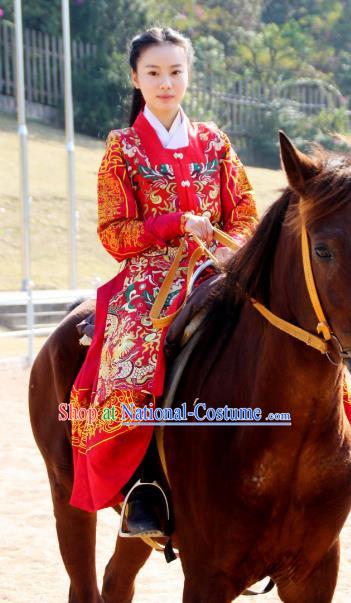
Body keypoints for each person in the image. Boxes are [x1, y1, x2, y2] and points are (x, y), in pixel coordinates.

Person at [69, 26, 258, 535]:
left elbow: (244, 210)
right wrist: (171, 224)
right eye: (153, 72)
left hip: (218, 264)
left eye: (176, 71)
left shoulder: (215, 142)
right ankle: (143, 489)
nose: (166, 82)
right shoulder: (124, 148)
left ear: (188, 75)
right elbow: (114, 232)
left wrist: (228, 243)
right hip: (151, 277)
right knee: (131, 367)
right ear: (136, 77)